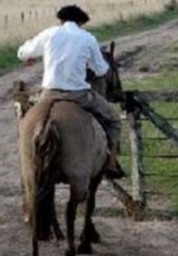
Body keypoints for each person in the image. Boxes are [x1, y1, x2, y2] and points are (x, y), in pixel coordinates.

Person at [17, 5, 124, 179]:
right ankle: (110, 161)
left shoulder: (50, 34)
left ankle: (28, 157)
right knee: (113, 120)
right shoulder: (87, 38)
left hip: (48, 93)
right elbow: (101, 70)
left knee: (27, 118)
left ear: (61, 20)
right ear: (81, 22)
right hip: (78, 95)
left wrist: (29, 57)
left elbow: (22, 52)